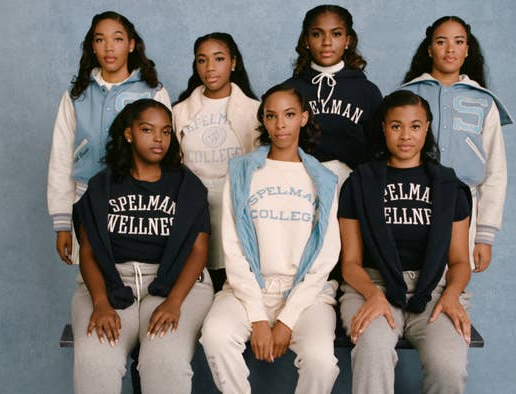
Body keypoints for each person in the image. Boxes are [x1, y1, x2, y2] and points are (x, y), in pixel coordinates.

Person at [199, 84, 341, 394]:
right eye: (272, 116)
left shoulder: (325, 179)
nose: (280, 125)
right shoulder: (241, 173)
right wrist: (258, 316)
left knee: (321, 361)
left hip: (307, 295)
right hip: (247, 288)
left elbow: (326, 257)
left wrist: (287, 319)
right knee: (216, 335)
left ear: (303, 118)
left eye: (289, 115)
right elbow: (233, 248)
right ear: (263, 119)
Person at [71, 99, 212, 393]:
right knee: (96, 360)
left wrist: (174, 302)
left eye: (165, 132)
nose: (158, 139)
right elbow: (87, 250)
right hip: (109, 283)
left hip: (177, 285)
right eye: (147, 129)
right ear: (128, 134)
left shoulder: (188, 186)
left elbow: (199, 251)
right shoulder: (100, 186)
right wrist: (99, 302)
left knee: (165, 361)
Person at [338, 90, 473, 394]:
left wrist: (452, 295)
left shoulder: (449, 186)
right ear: (383, 128)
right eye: (396, 126)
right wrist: (372, 294)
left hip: (435, 289)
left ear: (427, 128)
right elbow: (350, 263)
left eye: (415, 126)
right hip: (373, 287)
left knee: (449, 367)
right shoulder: (360, 183)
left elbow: (461, 261)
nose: (405, 135)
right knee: (373, 351)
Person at [48, 11, 171, 265]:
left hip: (140, 202)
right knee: (94, 283)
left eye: (117, 39)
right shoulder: (76, 95)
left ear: (131, 44)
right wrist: (62, 223)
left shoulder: (152, 92)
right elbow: (60, 159)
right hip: (87, 201)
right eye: (100, 40)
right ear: (92, 47)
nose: (109, 48)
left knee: (134, 278)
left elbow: (167, 154)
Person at [401, 15, 512, 272]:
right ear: (429, 49)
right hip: (414, 200)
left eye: (458, 42)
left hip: (463, 207)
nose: (450, 49)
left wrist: (485, 235)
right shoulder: (408, 95)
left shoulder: (484, 101)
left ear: (467, 50)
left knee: (454, 283)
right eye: (441, 42)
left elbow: (496, 171)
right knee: (411, 275)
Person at [173, 32, 259, 292]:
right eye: (202, 60)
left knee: (233, 286)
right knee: (196, 285)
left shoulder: (256, 110)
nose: (210, 67)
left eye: (219, 59)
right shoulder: (179, 112)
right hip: (194, 210)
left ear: (233, 63)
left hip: (236, 209)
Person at [285, 4, 382, 185]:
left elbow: (377, 151)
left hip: (353, 186)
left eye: (336, 34)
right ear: (306, 40)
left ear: (347, 41)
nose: (327, 42)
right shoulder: (289, 91)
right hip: (299, 183)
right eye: (317, 34)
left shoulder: (367, 92)